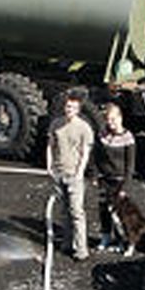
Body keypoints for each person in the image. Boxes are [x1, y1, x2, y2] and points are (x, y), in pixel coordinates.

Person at [46, 90, 94, 260]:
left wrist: (80, 172)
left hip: (74, 174)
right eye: (67, 106)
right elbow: (51, 145)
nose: (69, 109)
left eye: (72, 107)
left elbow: (85, 152)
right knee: (64, 211)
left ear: (78, 109)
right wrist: (49, 165)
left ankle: (81, 250)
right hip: (59, 172)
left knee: (77, 212)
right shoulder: (56, 124)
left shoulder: (84, 128)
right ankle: (67, 244)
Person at [93, 102, 136, 251]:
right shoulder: (102, 135)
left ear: (120, 118)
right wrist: (95, 175)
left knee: (121, 215)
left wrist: (125, 187)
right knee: (104, 210)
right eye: (108, 120)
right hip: (105, 180)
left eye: (113, 119)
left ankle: (126, 242)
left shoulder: (128, 138)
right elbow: (96, 157)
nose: (111, 123)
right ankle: (106, 238)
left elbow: (130, 166)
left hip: (119, 181)